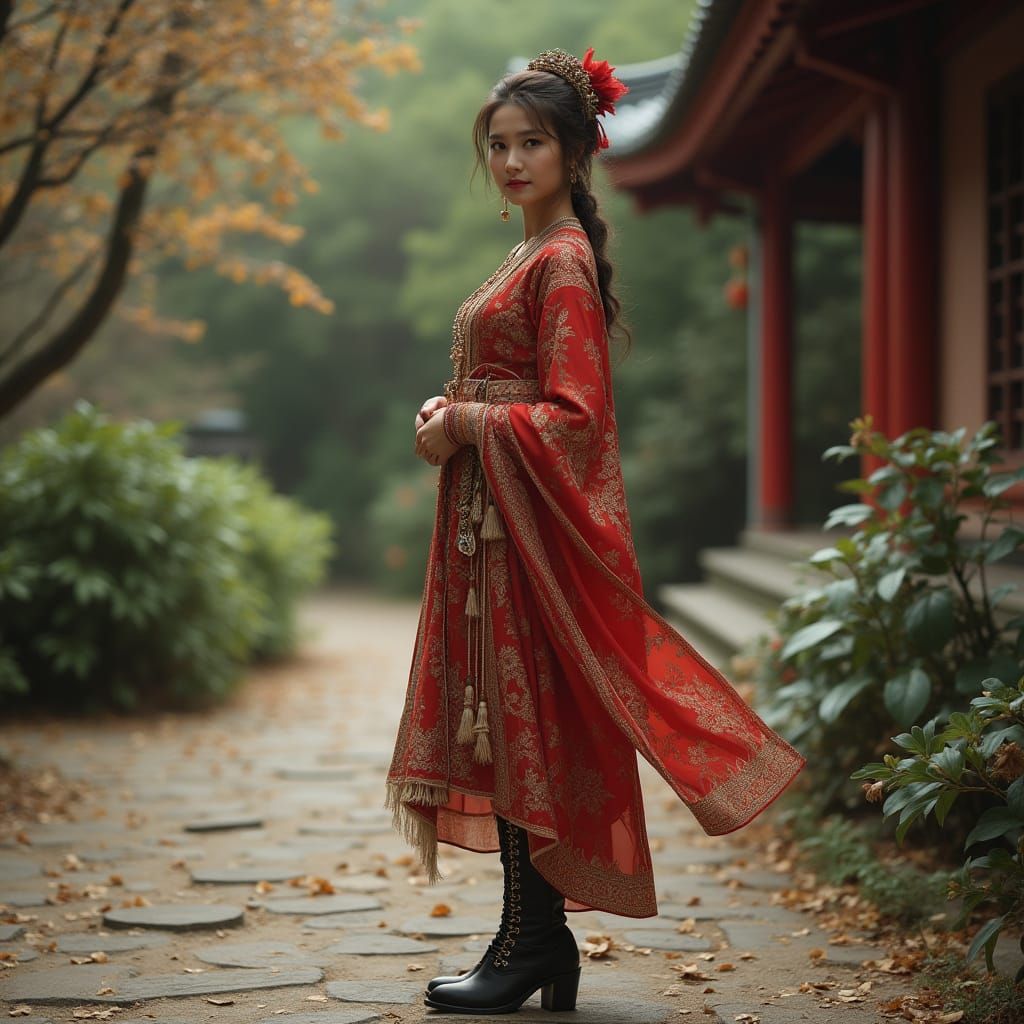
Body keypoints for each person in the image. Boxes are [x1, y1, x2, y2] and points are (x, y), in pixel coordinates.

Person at [385, 46, 806, 1015]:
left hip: (529, 547)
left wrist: (467, 423)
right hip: (495, 538)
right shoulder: (531, 254)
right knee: (510, 731)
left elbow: (575, 418)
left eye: (531, 141)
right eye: (497, 144)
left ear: (574, 152)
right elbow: (513, 387)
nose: (510, 159)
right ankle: (536, 944)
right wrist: (448, 414)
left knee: (523, 730)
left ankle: (531, 944)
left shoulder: (561, 262)